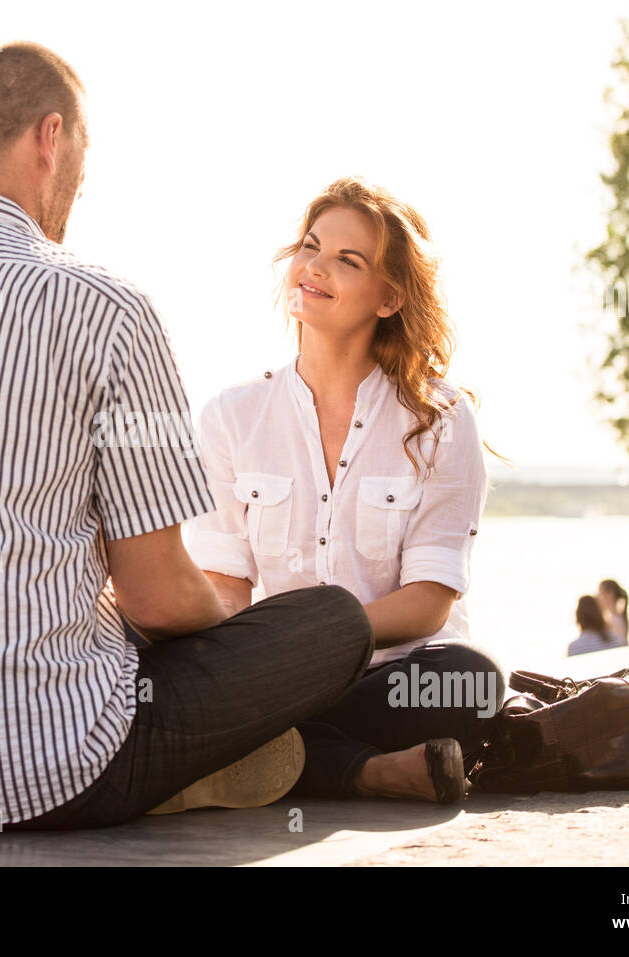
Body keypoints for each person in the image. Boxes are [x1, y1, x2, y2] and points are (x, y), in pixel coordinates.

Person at [0, 42, 383, 832]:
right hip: (47, 769)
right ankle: (193, 770)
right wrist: (229, 637)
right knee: (332, 622)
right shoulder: (108, 309)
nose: (84, 179)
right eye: (84, 151)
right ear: (50, 138)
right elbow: (159, 599)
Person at [183, 177, 508, 803]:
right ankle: (371, 771)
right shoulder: (231, 415)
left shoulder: (439, 418)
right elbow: (227, 586)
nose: (315, 267)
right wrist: (230, 669)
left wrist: (315, 644)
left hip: (400, 676)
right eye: (311, 246)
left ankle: (289, 761)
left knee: (475, 681)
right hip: (280, 680)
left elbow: (428, 604)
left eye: (346, 260)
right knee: (171, 687)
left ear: (388, 298)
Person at [597, 578, 629, 644]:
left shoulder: (614, 620)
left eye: (601, 593)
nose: (599, 597)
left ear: (611, 594)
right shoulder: (615, 617)